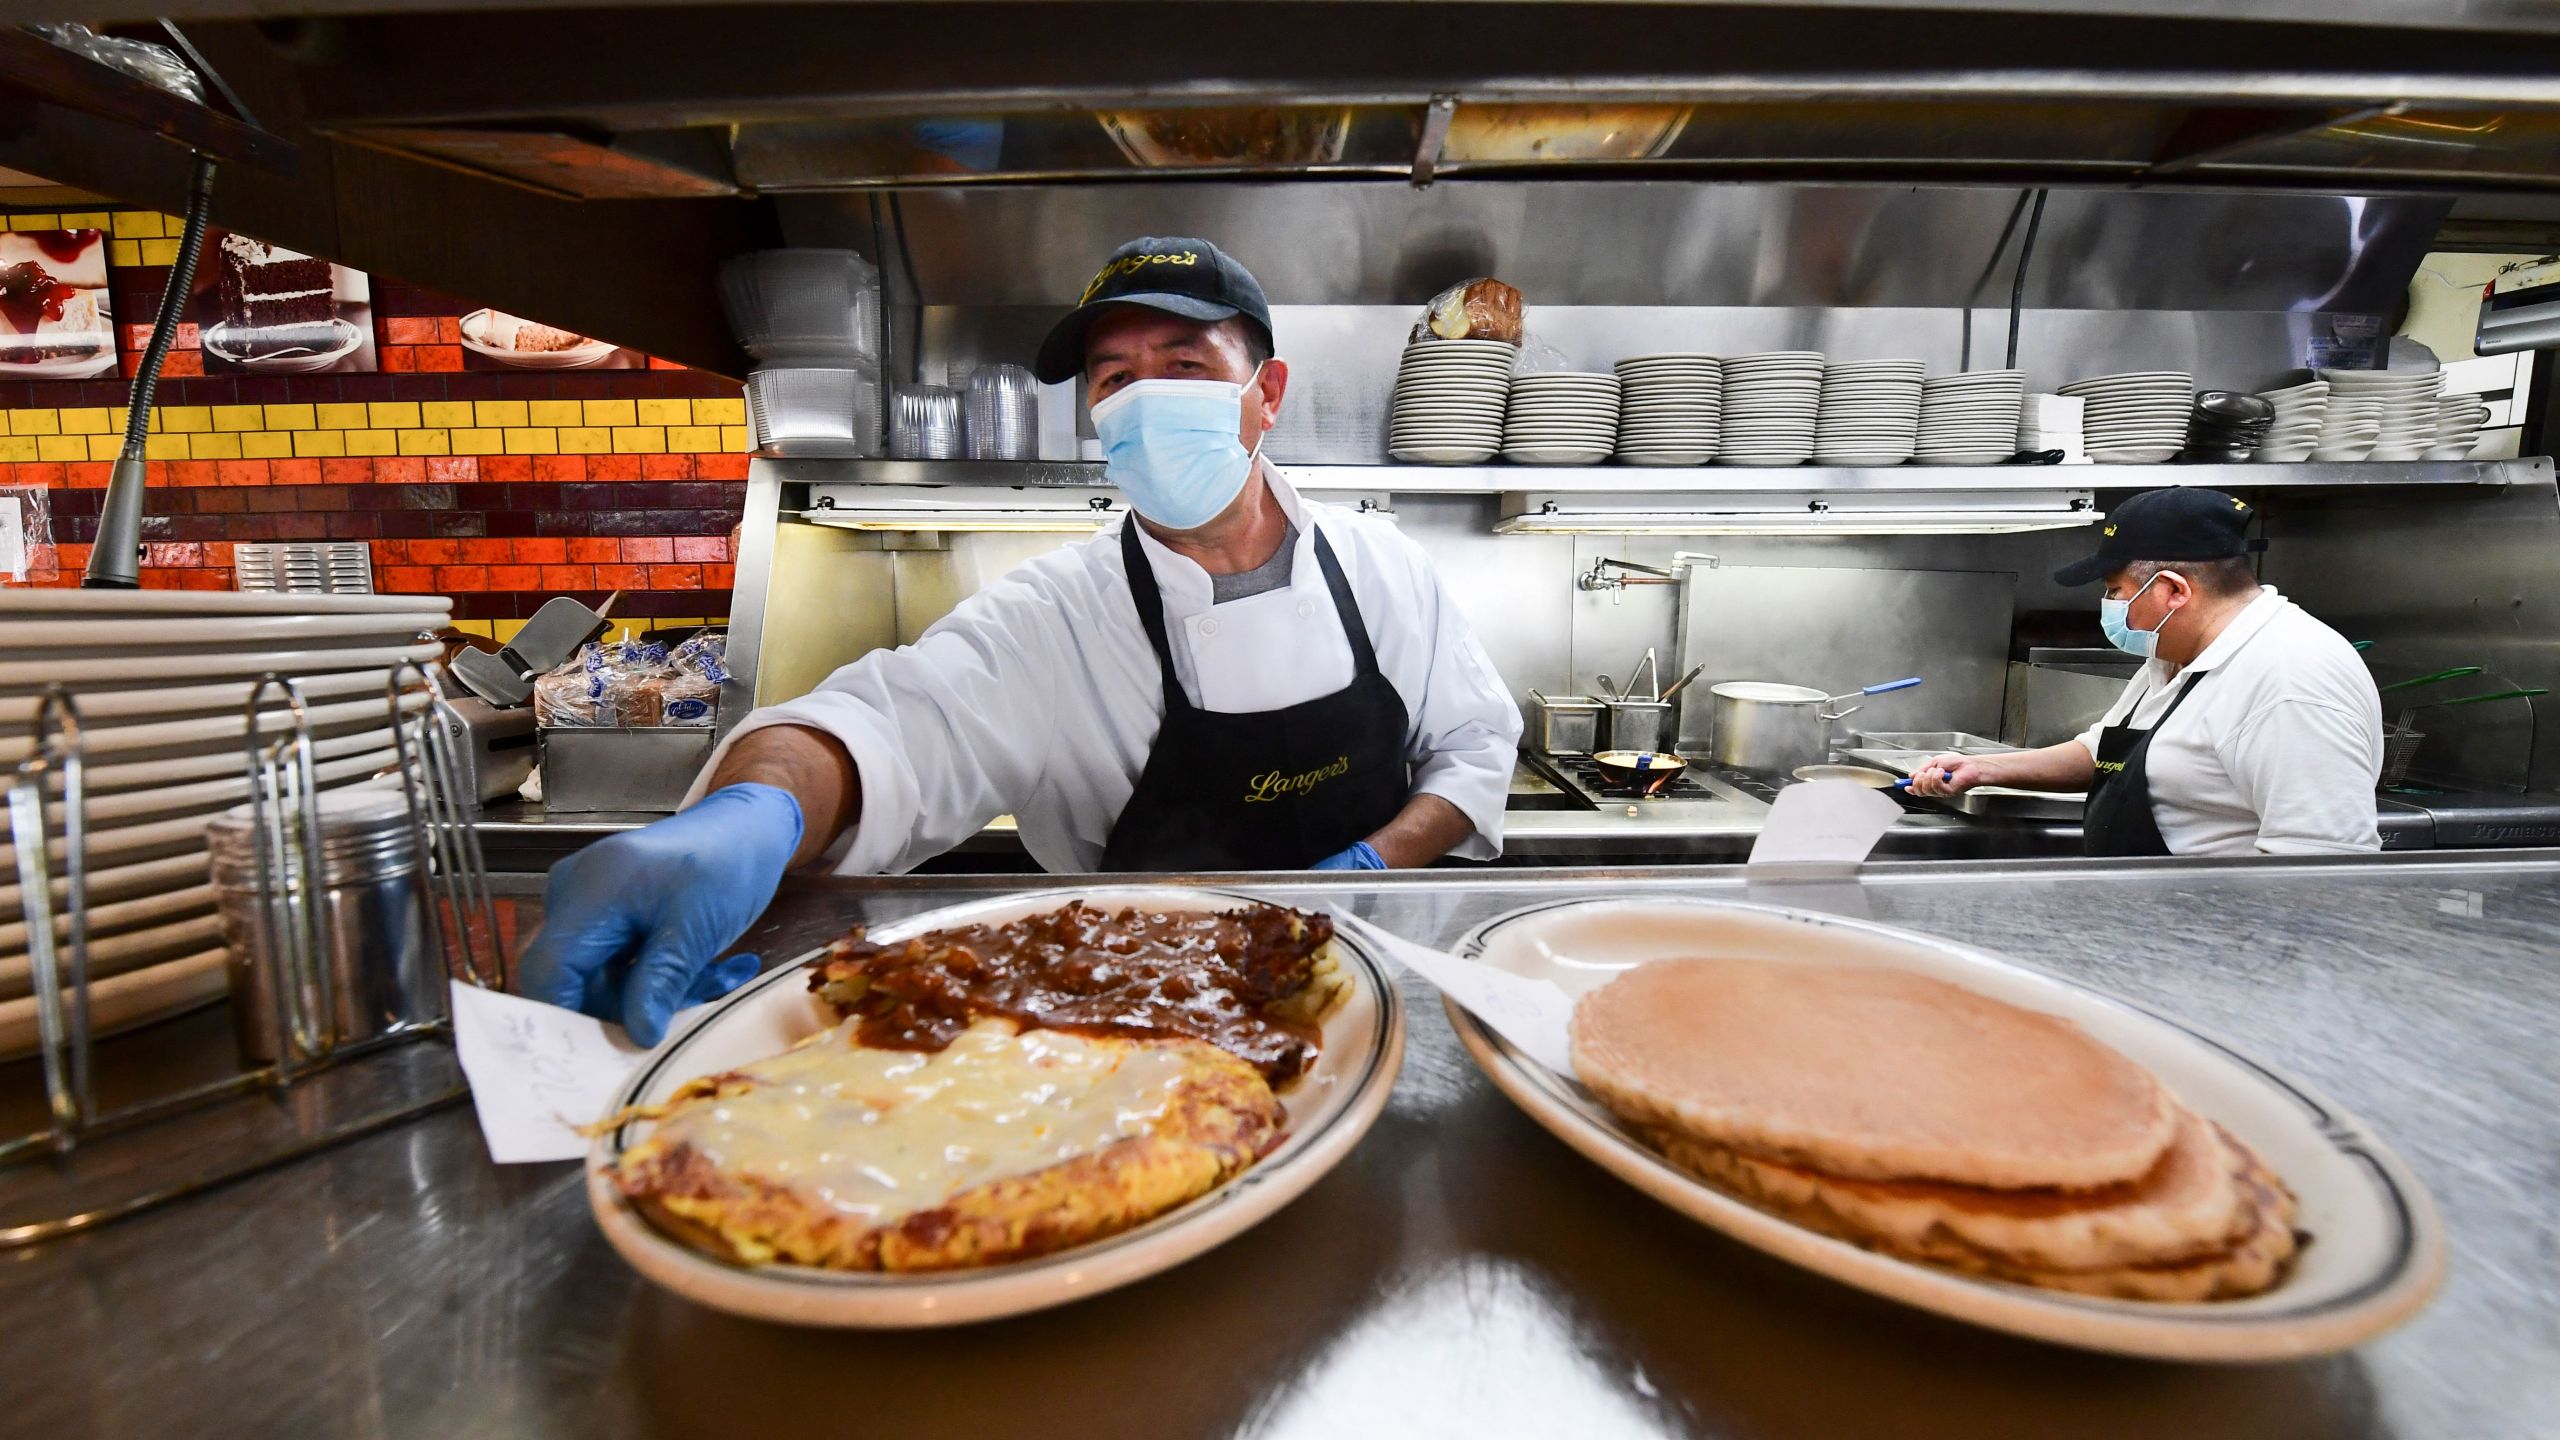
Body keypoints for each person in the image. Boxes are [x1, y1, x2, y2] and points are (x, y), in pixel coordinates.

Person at [521, 235, 1522, 1040]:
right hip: (1138, 1030)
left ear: (1267, 392)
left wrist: (1370, 868)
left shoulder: (1386, 568)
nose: (1142, 396)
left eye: (1183, 363)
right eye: (1113, 377)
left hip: (1386, 1001)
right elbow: (892, 726)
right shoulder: (1055, 615)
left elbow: (1473, 750)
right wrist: (754, 807)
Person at [1910, 486, 2382, 858]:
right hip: (2158, 925)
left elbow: (2320, 864)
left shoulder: (2289, 681)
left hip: (2225, 950)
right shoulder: (2176, 655)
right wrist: (1985, 769)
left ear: (2173, 590)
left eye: (2116, 591)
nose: (2111, 607)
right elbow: (2107, 751)